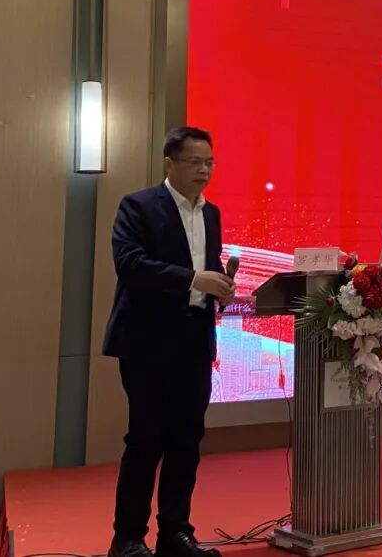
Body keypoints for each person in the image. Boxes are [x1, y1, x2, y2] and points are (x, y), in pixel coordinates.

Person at [103, 127, 235, 557]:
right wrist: (194, 279)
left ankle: (175, 534)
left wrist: (219, 286)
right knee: (146, 439)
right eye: (195, 162)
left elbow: (207, 269)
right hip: (147, 342)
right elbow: (131, 264)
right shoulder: (139, 206)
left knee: (186, 439)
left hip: (195, 340)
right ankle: (128, 538)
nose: (204, 170)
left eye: (209, 162)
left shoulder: (211, 213)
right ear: (169, 163)